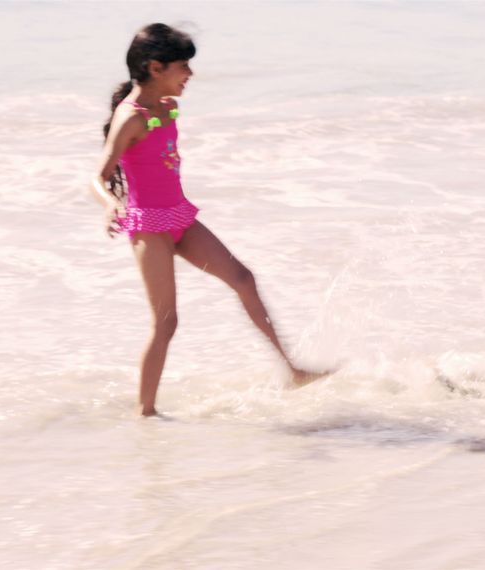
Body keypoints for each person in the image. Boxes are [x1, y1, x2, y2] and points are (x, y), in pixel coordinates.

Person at [90, 23, 325, 416]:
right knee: (166, 322)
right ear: (154, 67)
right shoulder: (129, 117)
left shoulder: (166, 108)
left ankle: (294, 371)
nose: (190, 75)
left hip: (180, 215)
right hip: (150, 226)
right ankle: (145, 412)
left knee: (243, 279)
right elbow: (98, 176)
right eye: (183, 66)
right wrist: (111, 204)